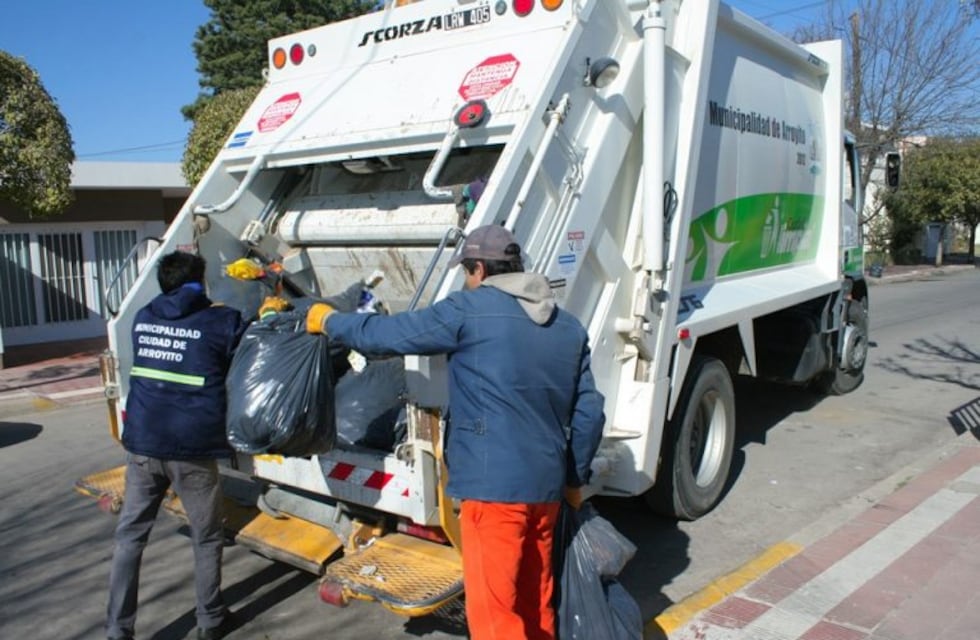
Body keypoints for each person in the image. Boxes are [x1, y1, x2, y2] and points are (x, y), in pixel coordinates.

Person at [304, 224, 606, 640]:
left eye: (467, 271)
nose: (467, 280)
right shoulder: (568, 327)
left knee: (495, 616)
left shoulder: (469, 309)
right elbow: (590, 412)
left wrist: (331, 321)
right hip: (547, 490)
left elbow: (389, 336)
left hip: (494, 492)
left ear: (479, 269)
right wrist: (574, 479)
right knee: (536, 600)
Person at [106, 251, 246, 640]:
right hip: (192, 452)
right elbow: (247, 351)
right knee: (206, 537)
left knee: (130, 538)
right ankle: (210, 621)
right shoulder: (221, 320)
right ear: (198, 284)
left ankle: (118, 630)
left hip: (143, 447)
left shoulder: (144, 317)